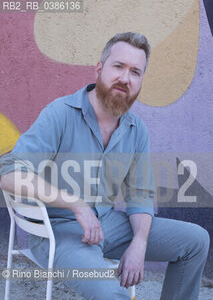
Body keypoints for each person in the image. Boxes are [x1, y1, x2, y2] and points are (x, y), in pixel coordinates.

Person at [0, 32, 210, 300]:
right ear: (100, 69)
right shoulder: (60, 113)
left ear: (141, 81)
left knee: (195, 241)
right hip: (59, 233)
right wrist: (76, 204)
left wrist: (139, 243)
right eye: (119, 67)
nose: (125, 78)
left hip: (109, 225)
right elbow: (9, 174)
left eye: (135, 72)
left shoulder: (136, 129)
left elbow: (140, 196)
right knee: (111, 293)